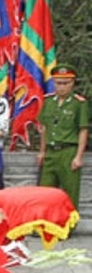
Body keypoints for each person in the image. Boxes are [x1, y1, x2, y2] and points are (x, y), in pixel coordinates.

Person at [37, 64, 88, 209]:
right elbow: (44, 128)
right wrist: (42, 151)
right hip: (51, 152)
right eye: (58, 83)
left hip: (68, 151)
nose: (61, 87)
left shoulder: (79, 103)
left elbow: (83, 130)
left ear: (72, 83)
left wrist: (78, 156)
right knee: (45, 191)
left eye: (65, 83)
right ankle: (45, 225)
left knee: (70, 192)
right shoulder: (48, 101)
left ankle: (68, 227)